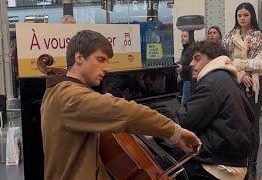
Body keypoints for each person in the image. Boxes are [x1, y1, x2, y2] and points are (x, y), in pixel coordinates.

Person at [40, 30, 201, 180]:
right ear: (79, 57)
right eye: (100, 59)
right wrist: (174, 132)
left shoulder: (60, 91)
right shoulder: (69, 96)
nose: (106, 68)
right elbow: (127, 112)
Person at [176, 41, 256, 180]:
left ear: (212, 59)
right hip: (237, 162)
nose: (191, 64)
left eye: (197, 58)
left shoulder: (211, 82)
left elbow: (186, 121)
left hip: (219, 166)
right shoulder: (227, 79)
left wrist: (156, 126)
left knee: (161, 159)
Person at [222, 2, 262, 178]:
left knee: (252, 126)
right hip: (235, 83)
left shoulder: (260, 37)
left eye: (245, 15)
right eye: (239, 15)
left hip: (255, 86)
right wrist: (241, 74)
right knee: (235, 124)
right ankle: (238, 161)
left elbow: (261, 64)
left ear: (252, 16)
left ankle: (252, 163)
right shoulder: (228, 38)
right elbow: (224, 61)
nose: (242, 18)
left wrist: (238, 63)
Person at [179, 31, 192, 105]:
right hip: (184, 79)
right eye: (181, 36)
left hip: (189, 80)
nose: (182, 38)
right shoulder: (184, 49)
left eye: (185, 36)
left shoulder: (190, 50)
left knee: (184, 104)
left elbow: (193, 66)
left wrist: (182, 68)